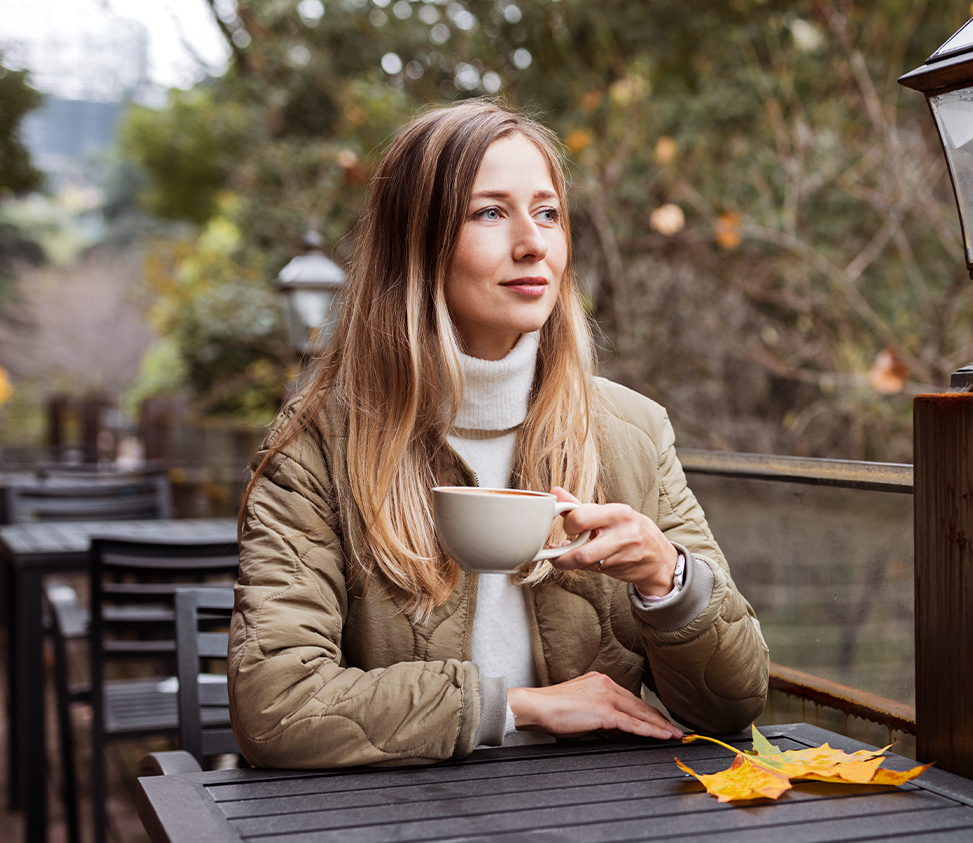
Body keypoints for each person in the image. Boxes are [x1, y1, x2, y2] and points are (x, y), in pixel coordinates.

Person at [228, 100, 769, 769]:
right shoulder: (317, 443)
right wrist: (518, 706)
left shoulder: (632, 432)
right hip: (397, 815)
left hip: (599, 813)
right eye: (490, 212)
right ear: (417, 245)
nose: (533, 243)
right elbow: (277, 704)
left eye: (547, 212)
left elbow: (735, 703)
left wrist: (669, 579)